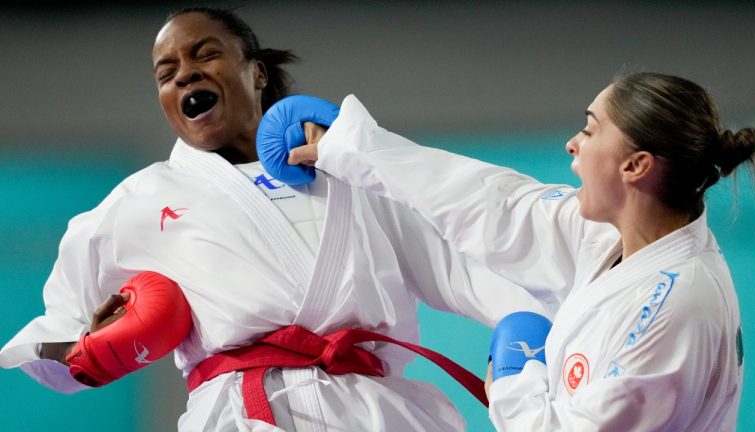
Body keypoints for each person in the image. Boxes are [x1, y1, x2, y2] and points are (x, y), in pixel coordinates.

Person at [0, 7, 538, 432]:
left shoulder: (349, 170)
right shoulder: (140, 199)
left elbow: (469, 267)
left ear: (256, 71)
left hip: (376, 411)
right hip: (241, 413)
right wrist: (89, 353)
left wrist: (538, 334)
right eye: (167, 73)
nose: (184, 73)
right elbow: (55, 340)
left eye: (204, 54)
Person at [287, 72, 755, 430]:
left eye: (591, 131)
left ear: (636, 166)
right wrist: (350, 146)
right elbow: (491, 202)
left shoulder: (674, 310)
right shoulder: (611, 236)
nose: (572, 144)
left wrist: (515, 379)